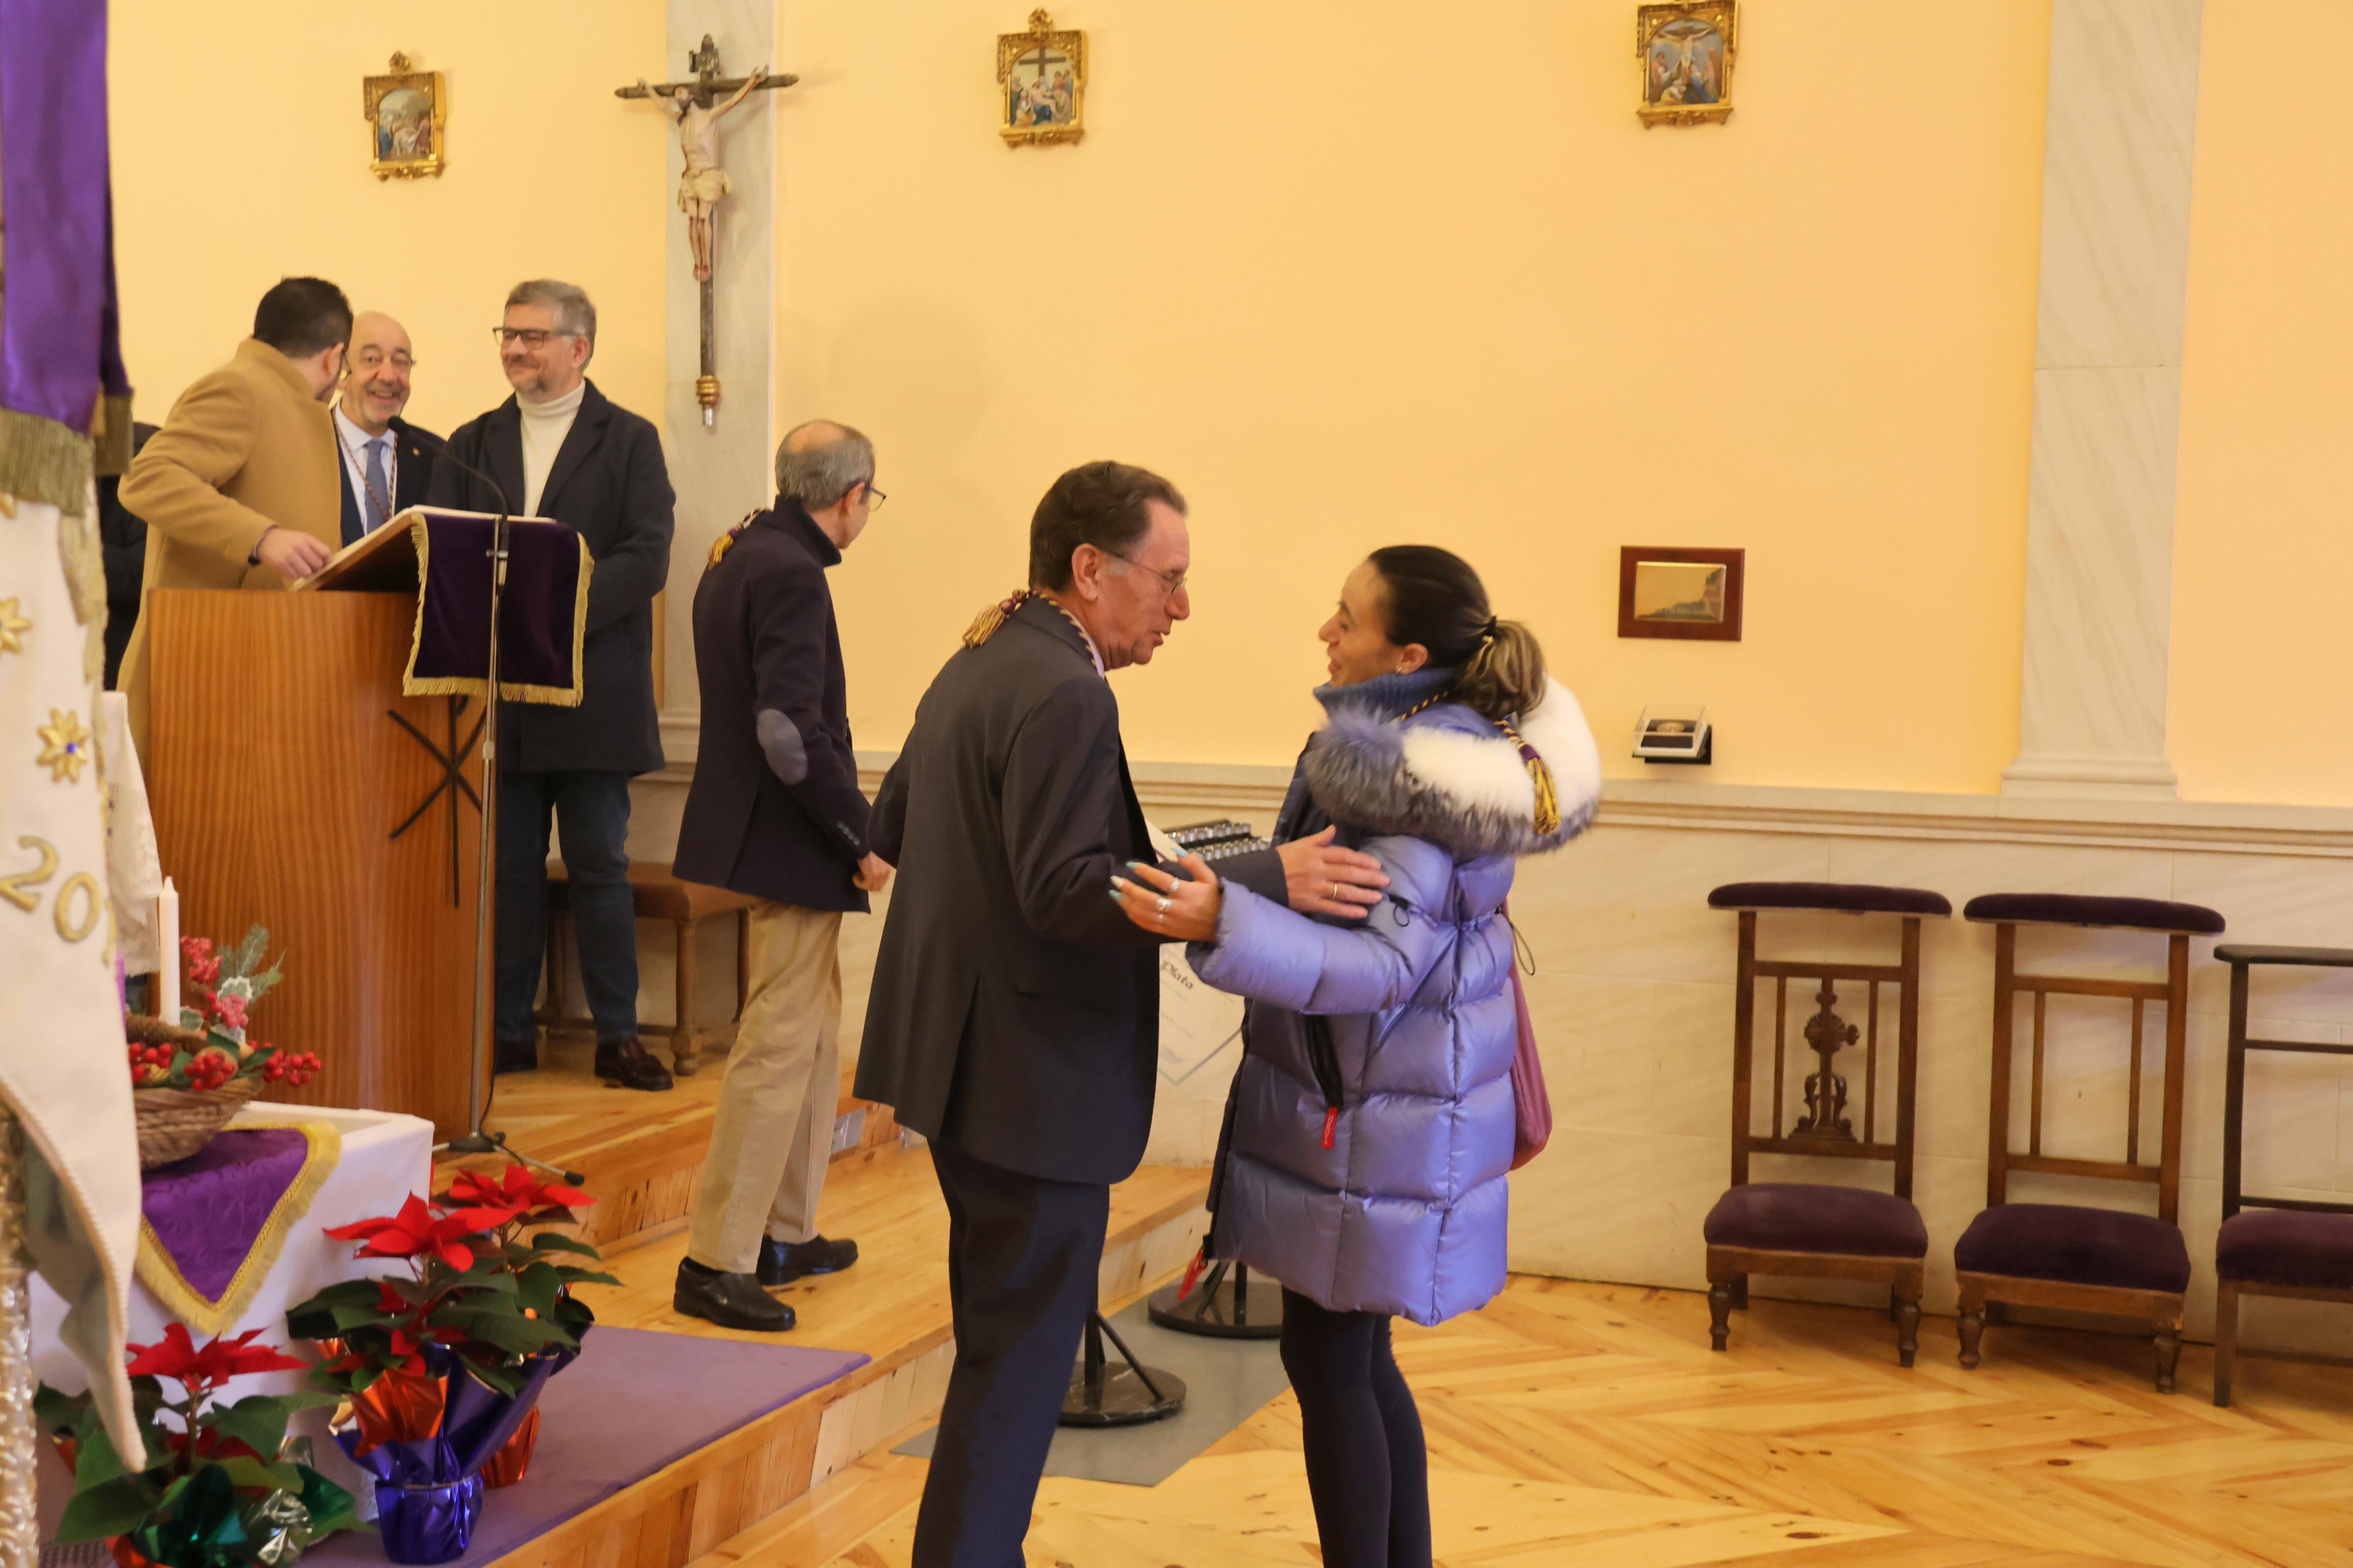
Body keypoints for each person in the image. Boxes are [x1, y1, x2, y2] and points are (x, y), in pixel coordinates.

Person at [853, 461, 1388, 1565]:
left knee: (1000, 1353)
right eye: (1168, 577)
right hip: (1028, 1084)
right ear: (1091, 568)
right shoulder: (1067, 688)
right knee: (1017, 1370)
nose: (1181, 606)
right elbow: (1061, 889)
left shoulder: (984, 652)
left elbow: (892, 820)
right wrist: (1259, 878)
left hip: (966, 1067)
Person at [1112, 546, 1601, 1568]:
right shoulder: (1447, 753)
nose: (1324, 633)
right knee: (1354, 1355)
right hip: (1386, 1099)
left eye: (1346, 617)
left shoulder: (1405, 775)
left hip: (1372, 1108)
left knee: (1330, 1358)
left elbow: (1382, 964)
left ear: (1406, 654)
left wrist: (1225, 917)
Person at [425, 280, 677, 1092]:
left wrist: (557, 617)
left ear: (579, 347)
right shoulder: (471, 442)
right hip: (502, 695)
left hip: (592, 690)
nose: (514, 349)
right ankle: (507, 1030)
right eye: (508, 333)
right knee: (509, 869)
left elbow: (646, 554)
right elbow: (445, 548)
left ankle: (616, 1035)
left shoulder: (628, 439)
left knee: (600, 865)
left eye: (533, 336)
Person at [670, 421, 891, 1332]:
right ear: (850, 496)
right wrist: (858, 834)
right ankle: (715, 1258)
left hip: (754, 826)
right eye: (871, 499)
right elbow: (786, 730)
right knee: (775, 1045)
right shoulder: (792, 570)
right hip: (789, 839)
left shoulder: (737, 551)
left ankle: (785, 1231)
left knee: (813, 1035)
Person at [117, 276, 349, 758]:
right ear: (334, 357)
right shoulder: (241, 388)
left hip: (262, 673)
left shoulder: (291, 403)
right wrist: (261, 536)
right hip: (200, 674)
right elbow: (147, 476)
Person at [332, 312, 437, 545]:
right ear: (340, 371)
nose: (389, 376)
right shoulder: (305, 446)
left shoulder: (438, 458)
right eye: (372, 359)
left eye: (401, 362)